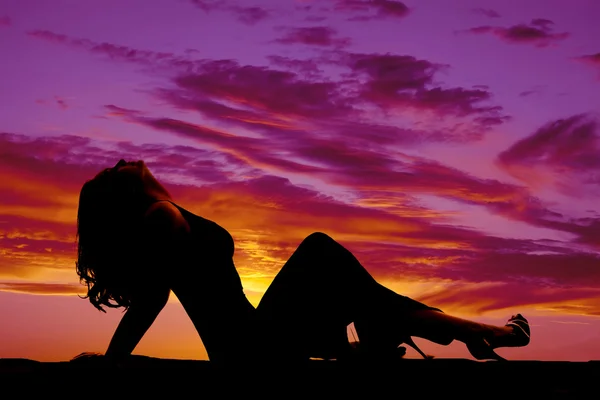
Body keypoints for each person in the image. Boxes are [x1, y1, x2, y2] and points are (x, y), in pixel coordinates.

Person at [75, 159, 531, 364]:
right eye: (114, 172)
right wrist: (113, 362)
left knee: (334, 269)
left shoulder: (168, 214)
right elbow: (153, 297)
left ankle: (404, 335)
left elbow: (163, 296)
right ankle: (475, 332)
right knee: (318, 250)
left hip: (254, 343)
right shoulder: (161, 217)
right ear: (124, 195)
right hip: (249, 354)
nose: (122, 162)